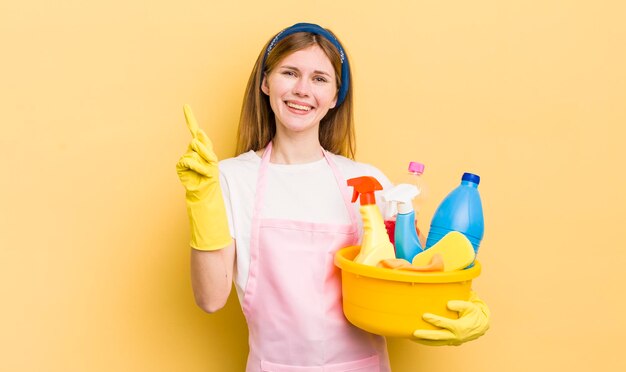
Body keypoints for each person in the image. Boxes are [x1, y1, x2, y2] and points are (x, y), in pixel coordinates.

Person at [176, 22, 490, 372]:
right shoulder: (231, 178)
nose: (302, 90)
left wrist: (466, 303)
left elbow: (413, 276)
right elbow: (210, 298)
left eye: (319, 79)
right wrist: (201, 200)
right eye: (289, 73)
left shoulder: (368, 181)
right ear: (266, 83)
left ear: (336, 95)